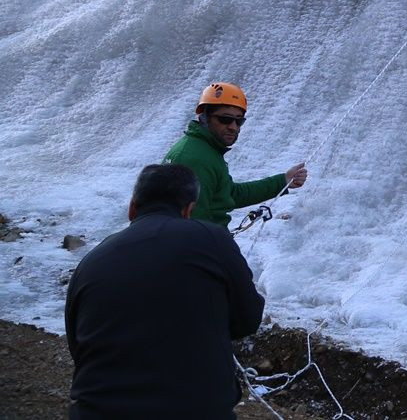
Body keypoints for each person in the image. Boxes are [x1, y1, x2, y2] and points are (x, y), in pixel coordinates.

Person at [64, 164, 265, 419]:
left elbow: (77, 344)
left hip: (95, 411)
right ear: (188, 210)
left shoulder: (92, 260)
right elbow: (248, 319)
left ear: (132, 207)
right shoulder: (211, 239)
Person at [163, 81, 307, 227]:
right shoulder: (196, 159)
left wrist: (283, 181)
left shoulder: (204, 150)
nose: (233, 127)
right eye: (225, 119)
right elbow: (191, 227)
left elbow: (229, 194)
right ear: (205, 117)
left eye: (239, 121)